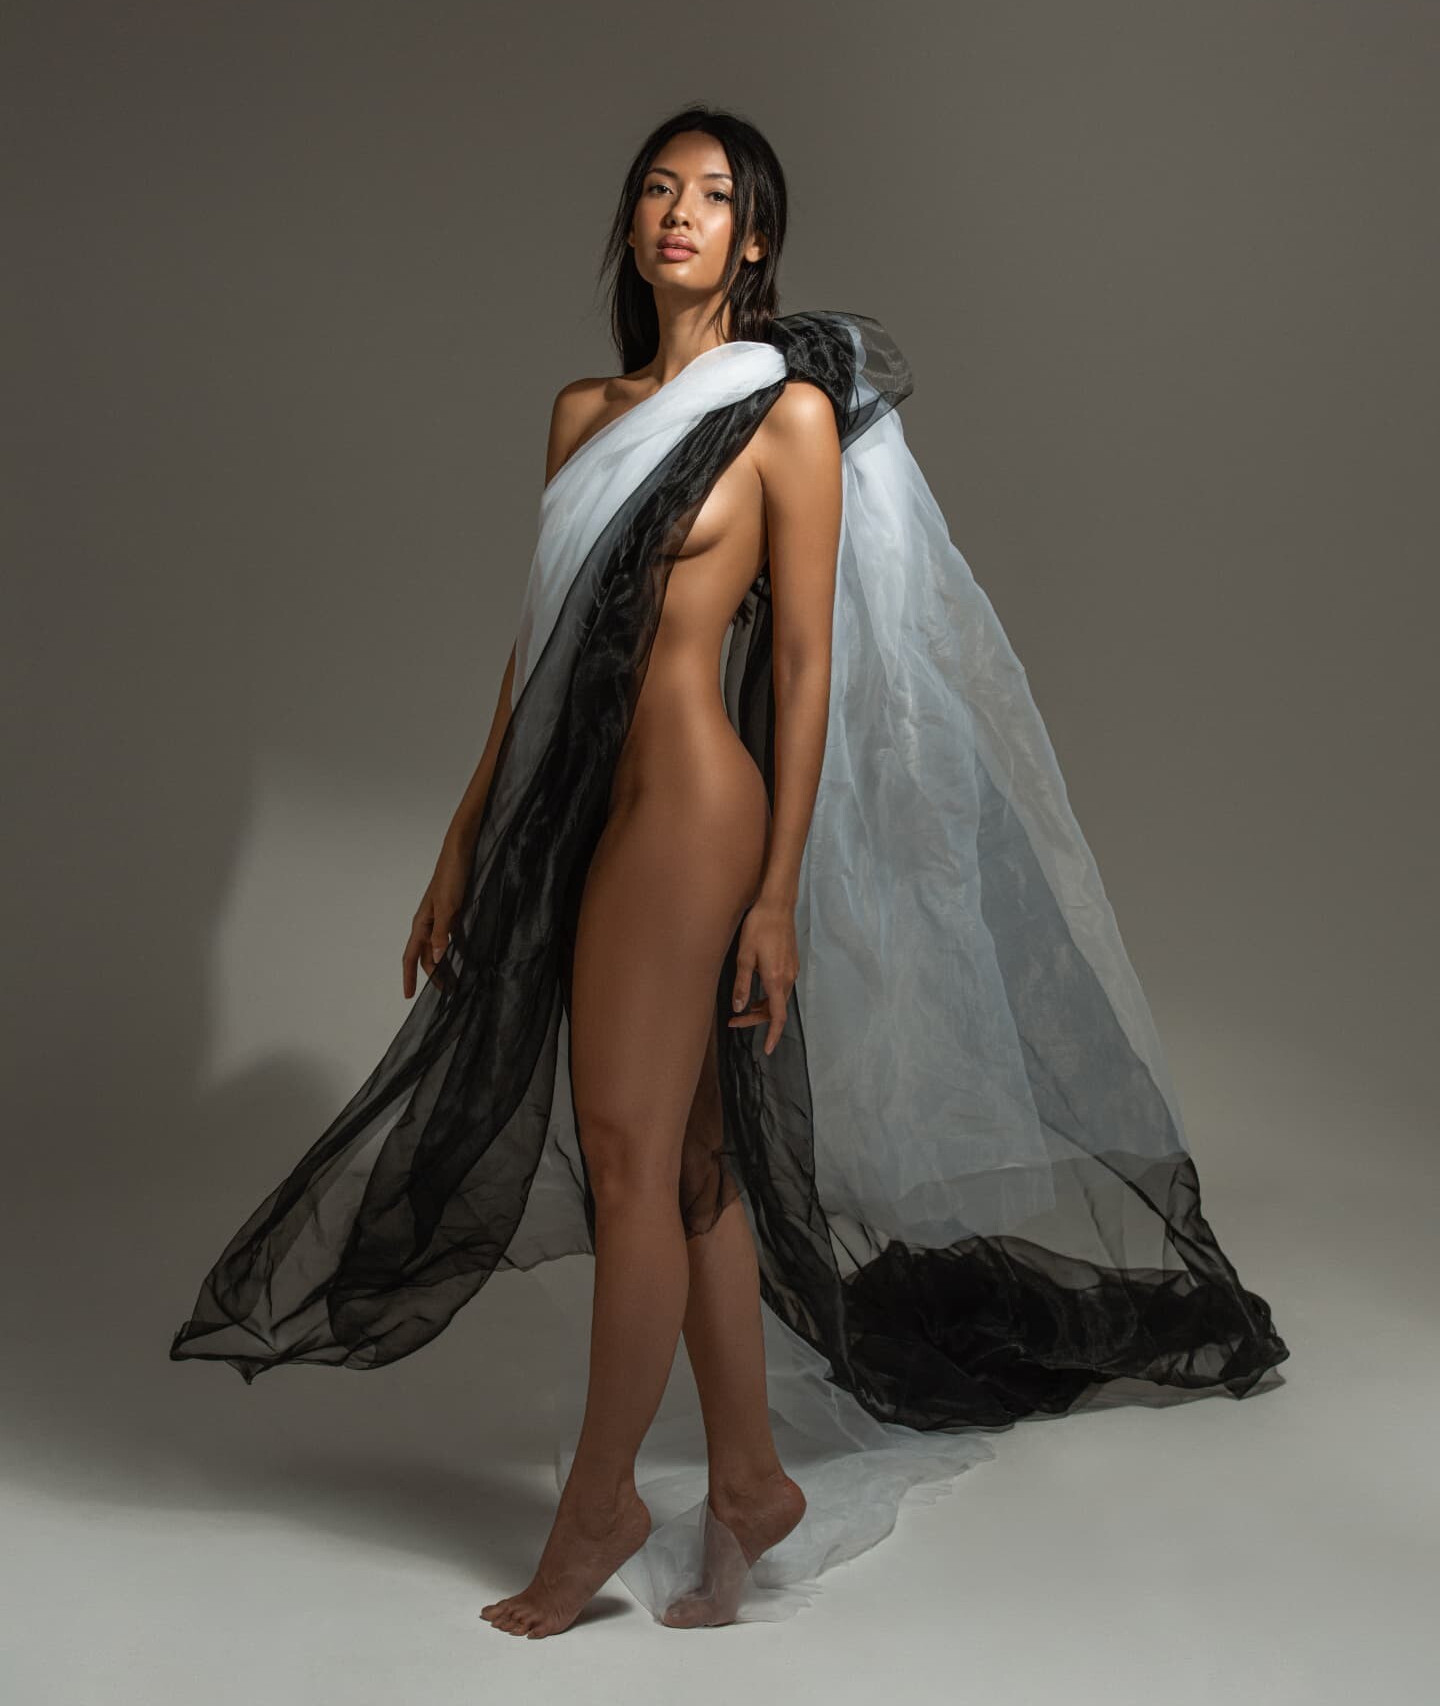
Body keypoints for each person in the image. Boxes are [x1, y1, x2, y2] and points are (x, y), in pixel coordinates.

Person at [170, 104, 1290, 1638]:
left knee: (627, 1160)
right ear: (632, 229)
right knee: (688, 1165)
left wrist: (773, 894)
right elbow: (536, 655)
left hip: (696, 811)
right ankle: (752, 1481)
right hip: (584, 811)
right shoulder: (582, 413)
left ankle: (598, 1508)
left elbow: (811, 665)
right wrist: (463, 837)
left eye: (712, 195)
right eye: (656, 189)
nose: (678, 212)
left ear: (755, 239)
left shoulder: (787, 423)